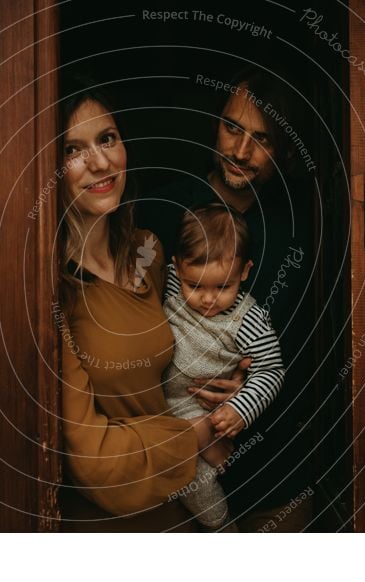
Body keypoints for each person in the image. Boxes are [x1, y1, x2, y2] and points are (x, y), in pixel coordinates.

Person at [137, 66, 317, 531]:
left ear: (286, 152)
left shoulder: (300, 228)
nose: (240, 150)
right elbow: (128, 330)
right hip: (172, 467)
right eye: (231, 127)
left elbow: (312, 346)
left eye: (263, 139)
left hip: (274, 474)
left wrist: (249, 390)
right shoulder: (163, 210)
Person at [55, 79, 233, 532]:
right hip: (106, 527)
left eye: (107, 139)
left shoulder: (146, 252)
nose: (100, 161)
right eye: (73, 149)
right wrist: (200, 432)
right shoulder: (53, 291)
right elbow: (93, 462)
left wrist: (230, 383)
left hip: (181, 508)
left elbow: (177, 355)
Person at [161, 203, 285, 530]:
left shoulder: (248, 320)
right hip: (155, 405)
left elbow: (271, 370)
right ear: (177, 269)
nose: (208, 299)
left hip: (195, 411)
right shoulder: (173, 285)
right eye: (196, 286)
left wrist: (240, 410)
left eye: (223, 287)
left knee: (195, 481)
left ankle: (222, 527)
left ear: (244, 272)